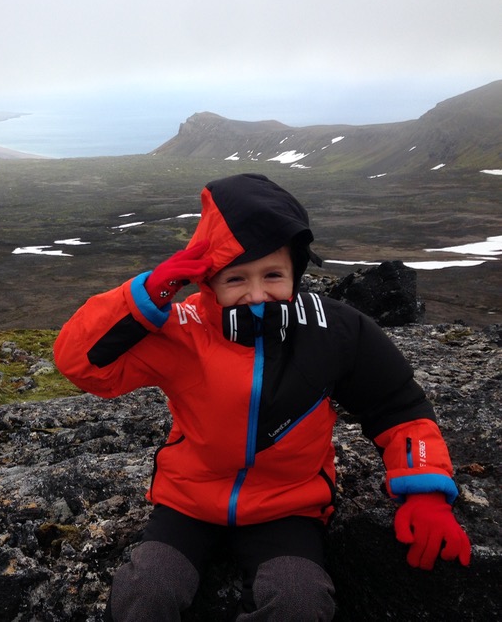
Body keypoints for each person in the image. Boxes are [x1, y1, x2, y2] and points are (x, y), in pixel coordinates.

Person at [53, 173, 471, 621]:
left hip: (287, 506)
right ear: (208, 282)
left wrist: (425, 489)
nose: (256, 295)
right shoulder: (180, 330)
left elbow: (397, 406)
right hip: (188, 501)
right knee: (146, 592)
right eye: (235, 278)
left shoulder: (334, 331)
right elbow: (81, 364)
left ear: (296, 272)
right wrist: (146, 293)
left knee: (299, 601)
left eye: (273, 274)